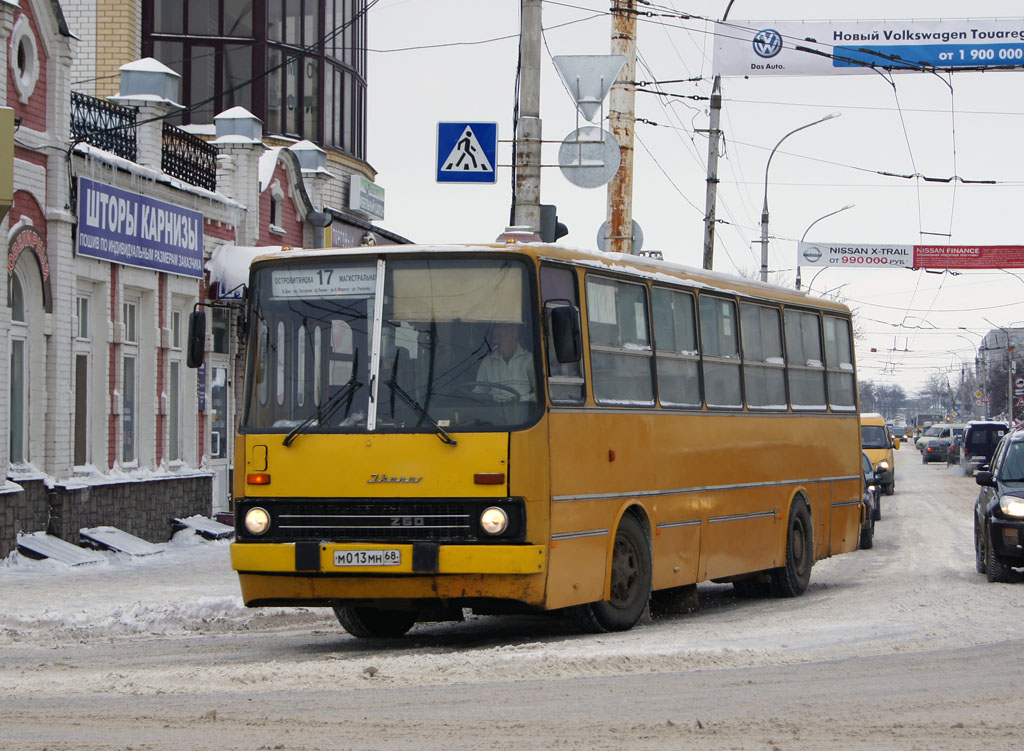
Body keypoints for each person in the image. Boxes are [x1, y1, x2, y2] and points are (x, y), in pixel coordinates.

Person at [475, 323, 535, 402]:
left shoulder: (529, 359)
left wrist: (521, 399)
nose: (496, 342)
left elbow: (542, 394)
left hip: (524, 410)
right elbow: (480, 391)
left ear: (513, 335)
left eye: (500, 337)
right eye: (495, 338)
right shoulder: (488, 361)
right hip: (495, 410)